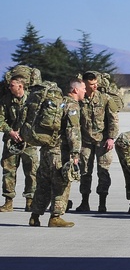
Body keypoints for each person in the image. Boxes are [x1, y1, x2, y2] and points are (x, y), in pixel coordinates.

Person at [28, 79, 85, 228]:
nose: (85, 91)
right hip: (60, 152)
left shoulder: (58, 103)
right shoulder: (71, 105)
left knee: (43, 184)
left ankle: (35, 216)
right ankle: (56, 217)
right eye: (83, 88)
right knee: (62, 183)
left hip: (47, 149)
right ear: (75, 90)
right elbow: (73, 131)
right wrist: (75, 153)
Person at [76, 70, 120, 213]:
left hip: (102, 141)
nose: (95, 86)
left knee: (103, 172)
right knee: (85, 172)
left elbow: (113, 119)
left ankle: (102, 203)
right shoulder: (79, 99)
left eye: (96, 84)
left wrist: (111, 138)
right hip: (85, 142)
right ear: (84, 84)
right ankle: (84, 202)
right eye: (91, 84)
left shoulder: (105, 98)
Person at [1, 69, 38, 212]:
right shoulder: (6, 100)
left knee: (31, 171)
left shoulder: (32, 99)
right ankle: (8, 201)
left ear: (20, 86)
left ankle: (30, 201)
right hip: (11, 142)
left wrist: (27, 133)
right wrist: (9, 131)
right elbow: (0, 118)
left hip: (29, 142)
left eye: (12, 86)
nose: (9, 88)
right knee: (8, 171)